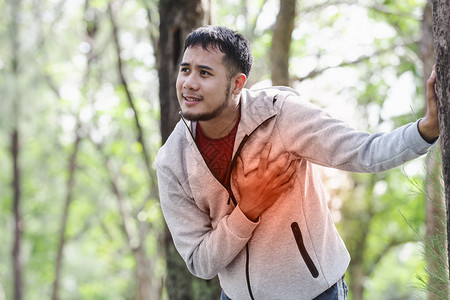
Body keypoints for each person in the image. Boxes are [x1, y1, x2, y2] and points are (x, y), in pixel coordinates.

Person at [155, 25, 440, 299]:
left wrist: (425, 131)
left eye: (205, 73)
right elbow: (200, 262)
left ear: (237, 84)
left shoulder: (281, 114)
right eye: (185, 70)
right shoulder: (172, 161)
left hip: (315, 293)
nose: (189, 83)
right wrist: (247, 211)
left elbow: (363, 151)